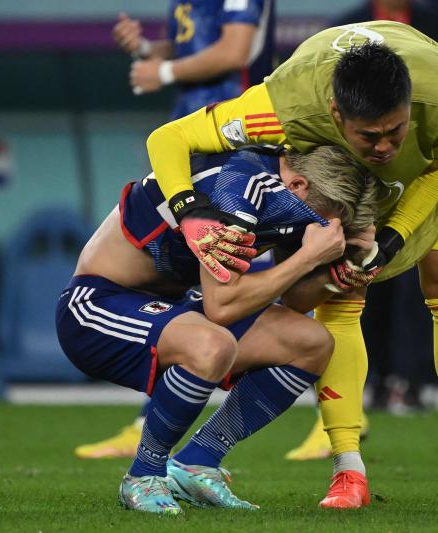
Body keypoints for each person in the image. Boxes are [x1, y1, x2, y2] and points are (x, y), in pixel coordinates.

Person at [143, 22, 438, 509]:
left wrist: (392, 240)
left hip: (428, 161)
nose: (383, 147)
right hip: (330, 158)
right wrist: (191, 213)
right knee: (343, 291)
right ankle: (347, 470)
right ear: (335, 113)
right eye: (369, 136)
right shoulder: (278, 110)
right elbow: (168, 139)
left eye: (394, 131)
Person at [57, 144, 378, 514]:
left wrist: (338, 273)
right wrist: (309, 256)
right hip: (95, 305)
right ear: (299, 186)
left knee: (311, 341)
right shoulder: (236, 185)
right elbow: (221, 306)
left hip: (175, 305)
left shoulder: (288, 193)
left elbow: (295, 301)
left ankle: (198, 461)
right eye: (323, 218)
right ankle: (143, 475)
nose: (324, 227)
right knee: (212, 344)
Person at [75, 0, 276, 460]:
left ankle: (337, 419)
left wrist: (162, 73)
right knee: (189, 279)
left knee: (233, 278)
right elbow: (199, 42)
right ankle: (165, 425)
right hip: (191, 138)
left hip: (234, 144)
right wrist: (152, 50)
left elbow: (234, 49)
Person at [113, 0, 274, 118]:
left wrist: (163, 72)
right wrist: (143, 47)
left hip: (237, 121)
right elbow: (181, 47)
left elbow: (234, 53)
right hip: (187, 117)